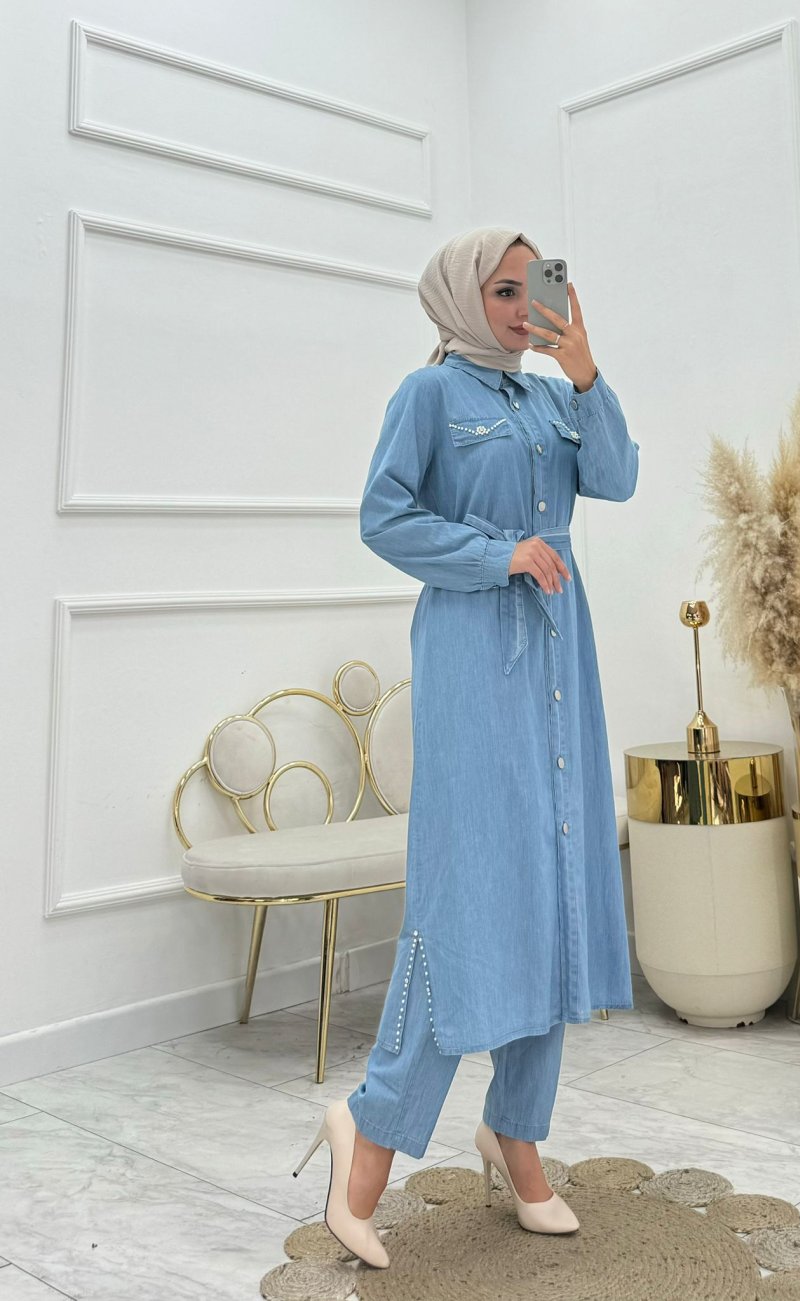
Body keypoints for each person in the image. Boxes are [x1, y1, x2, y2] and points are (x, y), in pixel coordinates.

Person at [292, 228, 640, 1269]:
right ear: (458, 297)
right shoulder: (429, 395)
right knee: (461, 903)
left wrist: (587, 373)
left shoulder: (550, 397)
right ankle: (368, 1133)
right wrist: (496, 554)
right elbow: (383, 516)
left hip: (558, 658)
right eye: (503, 290)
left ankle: (516, 1134)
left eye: (534, 288)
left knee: (552, 892)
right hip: (472, 658)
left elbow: (616, 478)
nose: (524, 307)